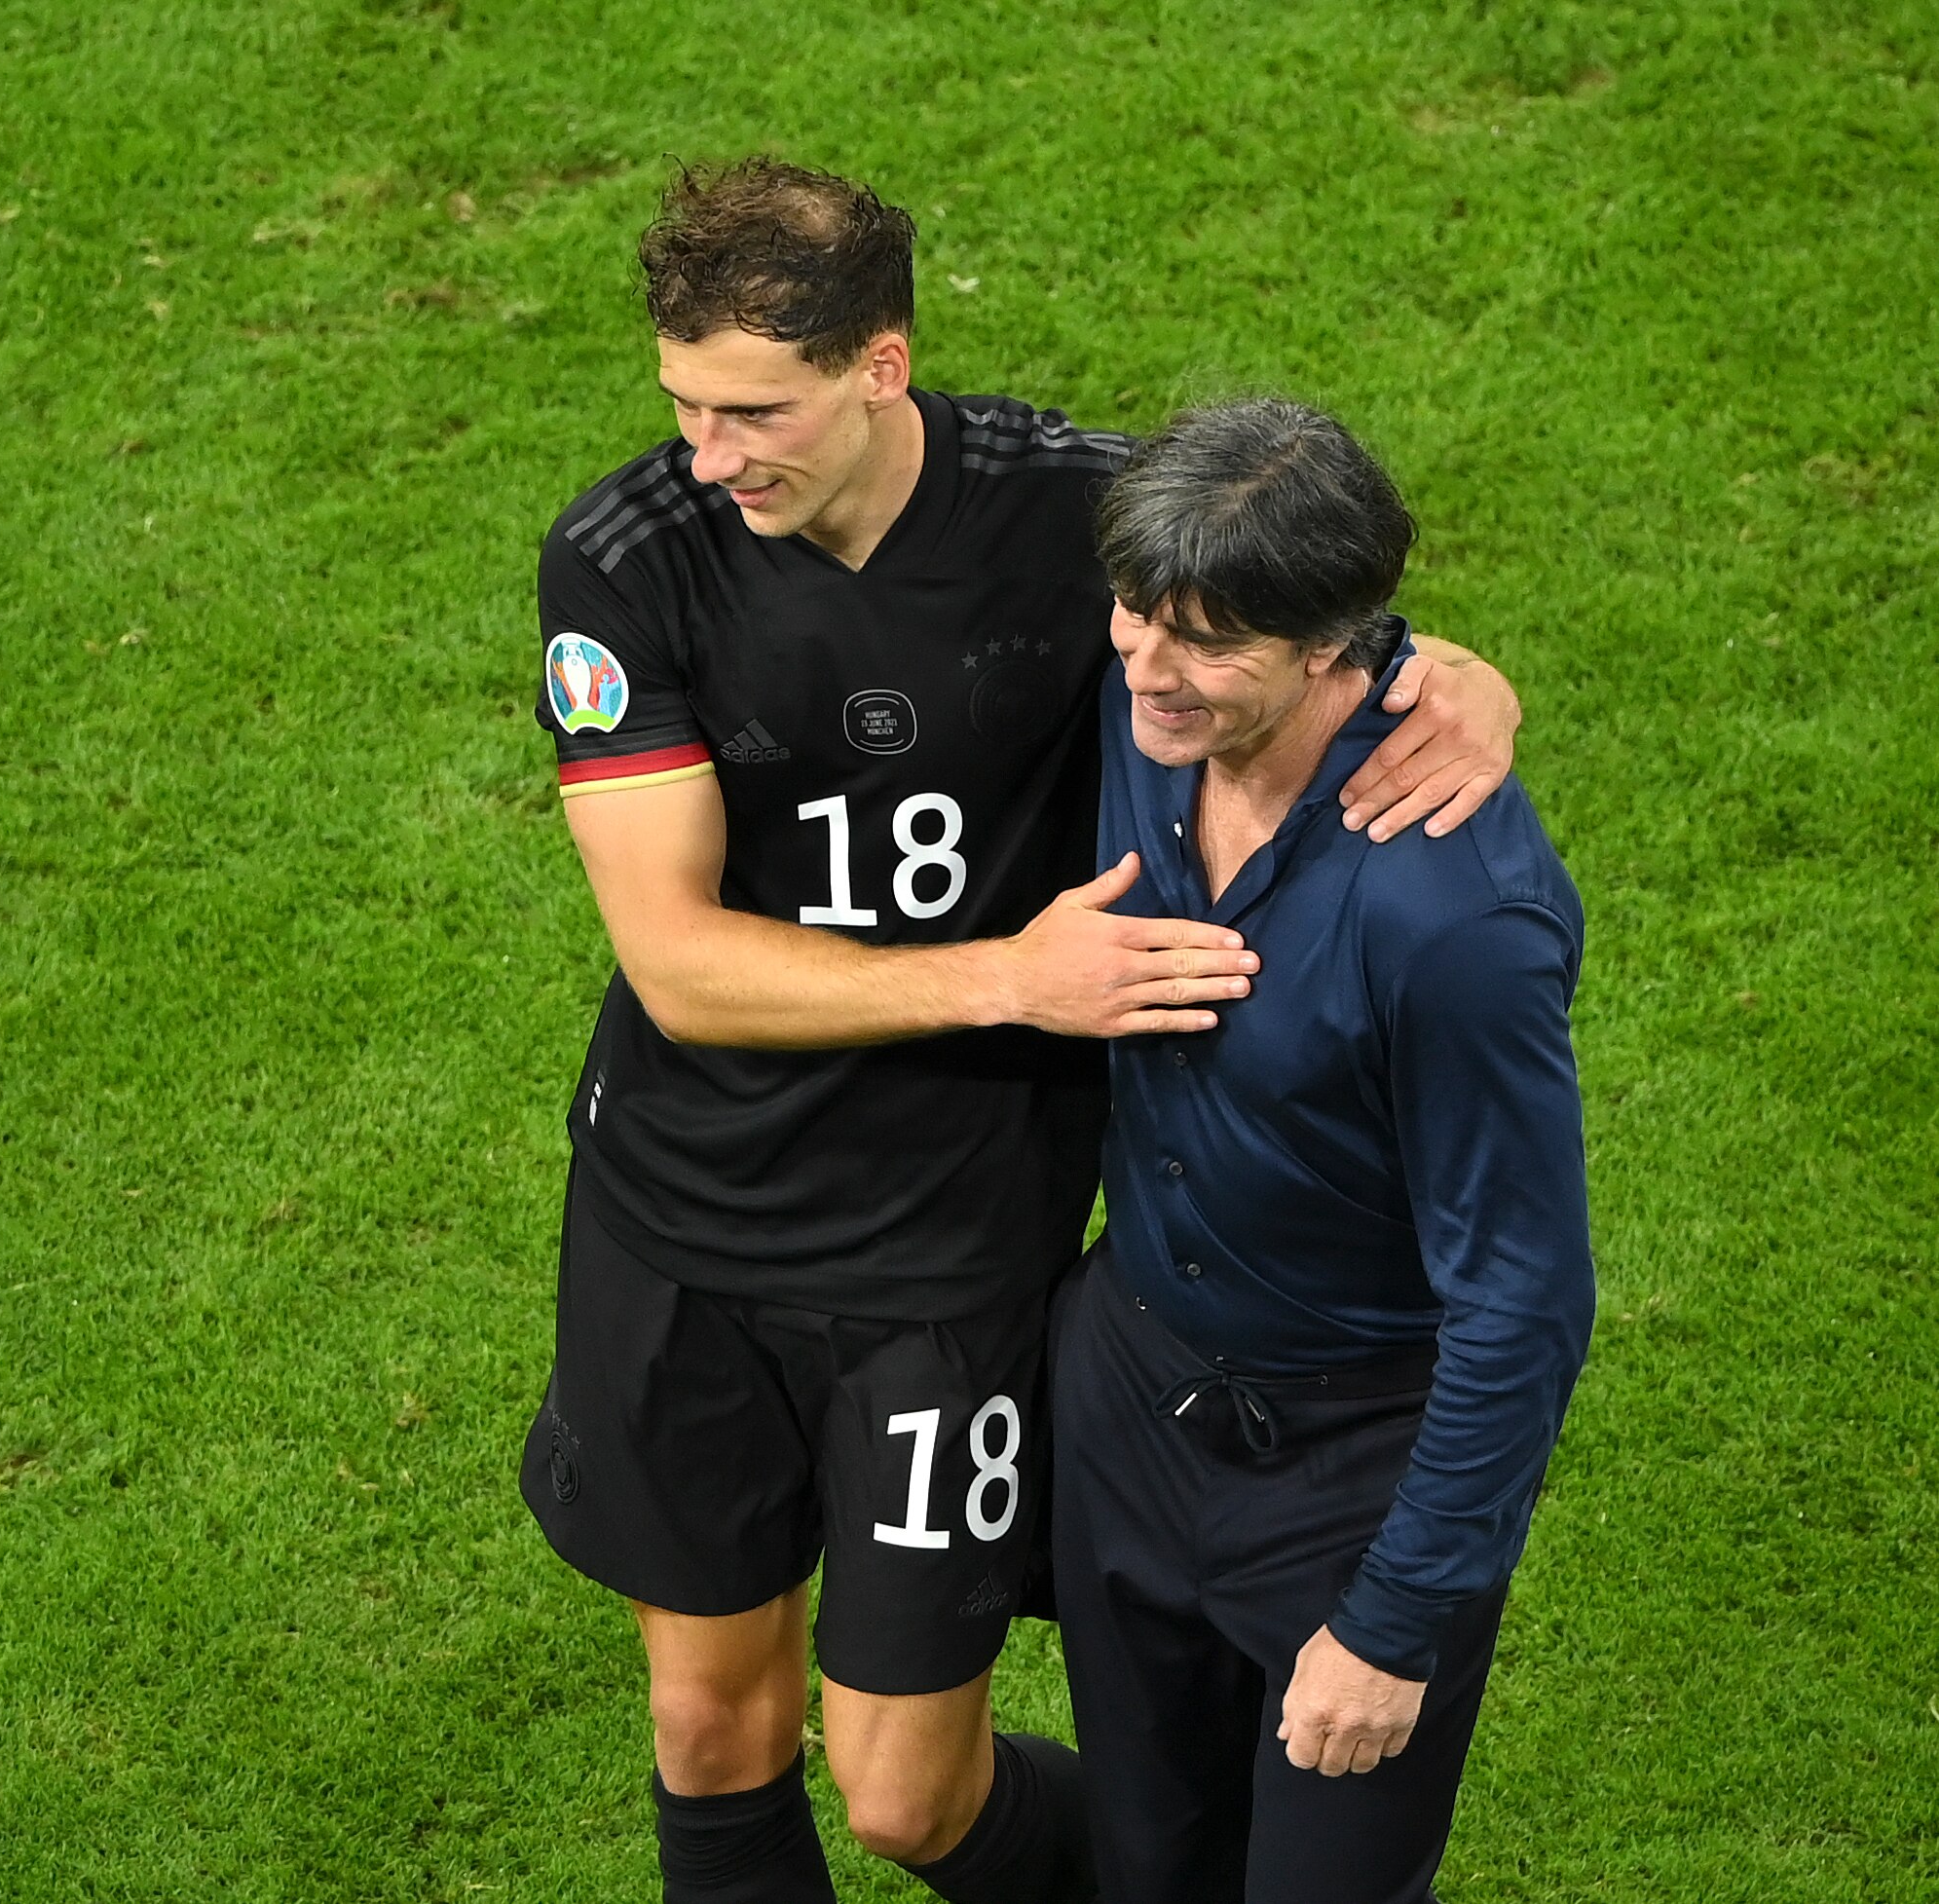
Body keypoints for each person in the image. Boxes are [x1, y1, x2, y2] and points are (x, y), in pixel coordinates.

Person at [520, 160, 1528, 1904]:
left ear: (882, 367)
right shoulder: (626, 559)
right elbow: (676, 966)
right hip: (679, 1224)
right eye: (683, 406)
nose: (708, 456)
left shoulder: (1068, 507)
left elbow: (1286, 609)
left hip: (948, 1250)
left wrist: (1456, 676)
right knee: (707, 1724)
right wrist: (1010, 978)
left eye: (754, 412)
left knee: (904, 1795)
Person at [1049, 398, 1593, 1903]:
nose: (1145, 667)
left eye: (1206, 643)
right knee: (1148, 1869)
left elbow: (1525, 1300)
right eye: (1135, 614)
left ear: (1332, 648)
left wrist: (1395, 1619)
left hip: (1353, 1480)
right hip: (1127, 1400)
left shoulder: (1457, 921)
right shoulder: (1158, 705)